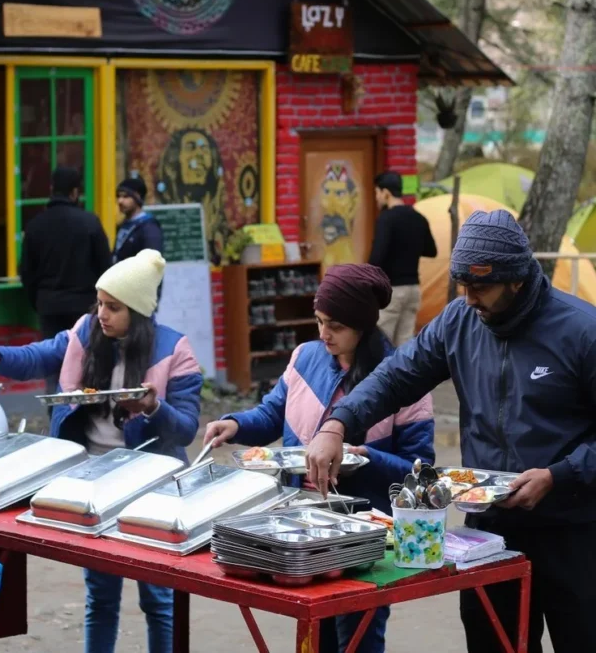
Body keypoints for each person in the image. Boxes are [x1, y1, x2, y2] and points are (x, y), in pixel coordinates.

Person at [307, 210, 596, 653]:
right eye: (462, 285)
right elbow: (395, 377)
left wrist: (560, 475)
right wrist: (337, 423)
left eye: (481, 287)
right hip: (491, 531)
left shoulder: (581, 330)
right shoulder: (458, 322)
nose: (469, 297)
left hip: (574, 529)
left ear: (516, 279)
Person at [204, 263, 434, 653]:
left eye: (336, 326)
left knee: (360, 635)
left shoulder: (403, 381)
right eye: (319, 321)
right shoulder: (305, 358)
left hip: (365, 532)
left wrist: (367, 457)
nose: (324, 333)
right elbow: (272, 414)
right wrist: (235, 425)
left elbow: (421, 473)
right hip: (302, 523)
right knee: (314, 631)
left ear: (363, 325)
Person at [0, 249, 202, 653]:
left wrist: (153, 407)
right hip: (92, 482)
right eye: (100, 303)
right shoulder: (85, 332)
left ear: (137, 311)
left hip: (153, 486)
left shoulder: (174, 350)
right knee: (101, 596)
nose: (101, 315)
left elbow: (187, 428)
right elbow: (35, 358)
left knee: (158, 600)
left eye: (113, 307)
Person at [20, 167, 112, 397]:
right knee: (87, 361)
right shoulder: (90, 223)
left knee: (54, 362)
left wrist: (39, 301)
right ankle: (88, 408)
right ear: (75, 192)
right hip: (85, 307)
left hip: (49, 307)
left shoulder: (35, 225)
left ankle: (56, 409)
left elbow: (26, 272)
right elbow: (106, 268)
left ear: (52, 189)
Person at [369, 172, 436, 346]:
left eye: (377, 193)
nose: (376, 198)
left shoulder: (386, 219)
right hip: (413, 290)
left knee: (380, 343)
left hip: (391, 291)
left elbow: (377, 258)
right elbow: (431, 250)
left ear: (386, 193)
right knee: (405, 345)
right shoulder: (419, 217)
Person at [114, 176, 163, 264]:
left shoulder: (149, 227)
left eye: (125, 196)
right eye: (118, 196)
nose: (120, 201)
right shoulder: (123, 224)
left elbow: (153, 264)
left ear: (138, 197)